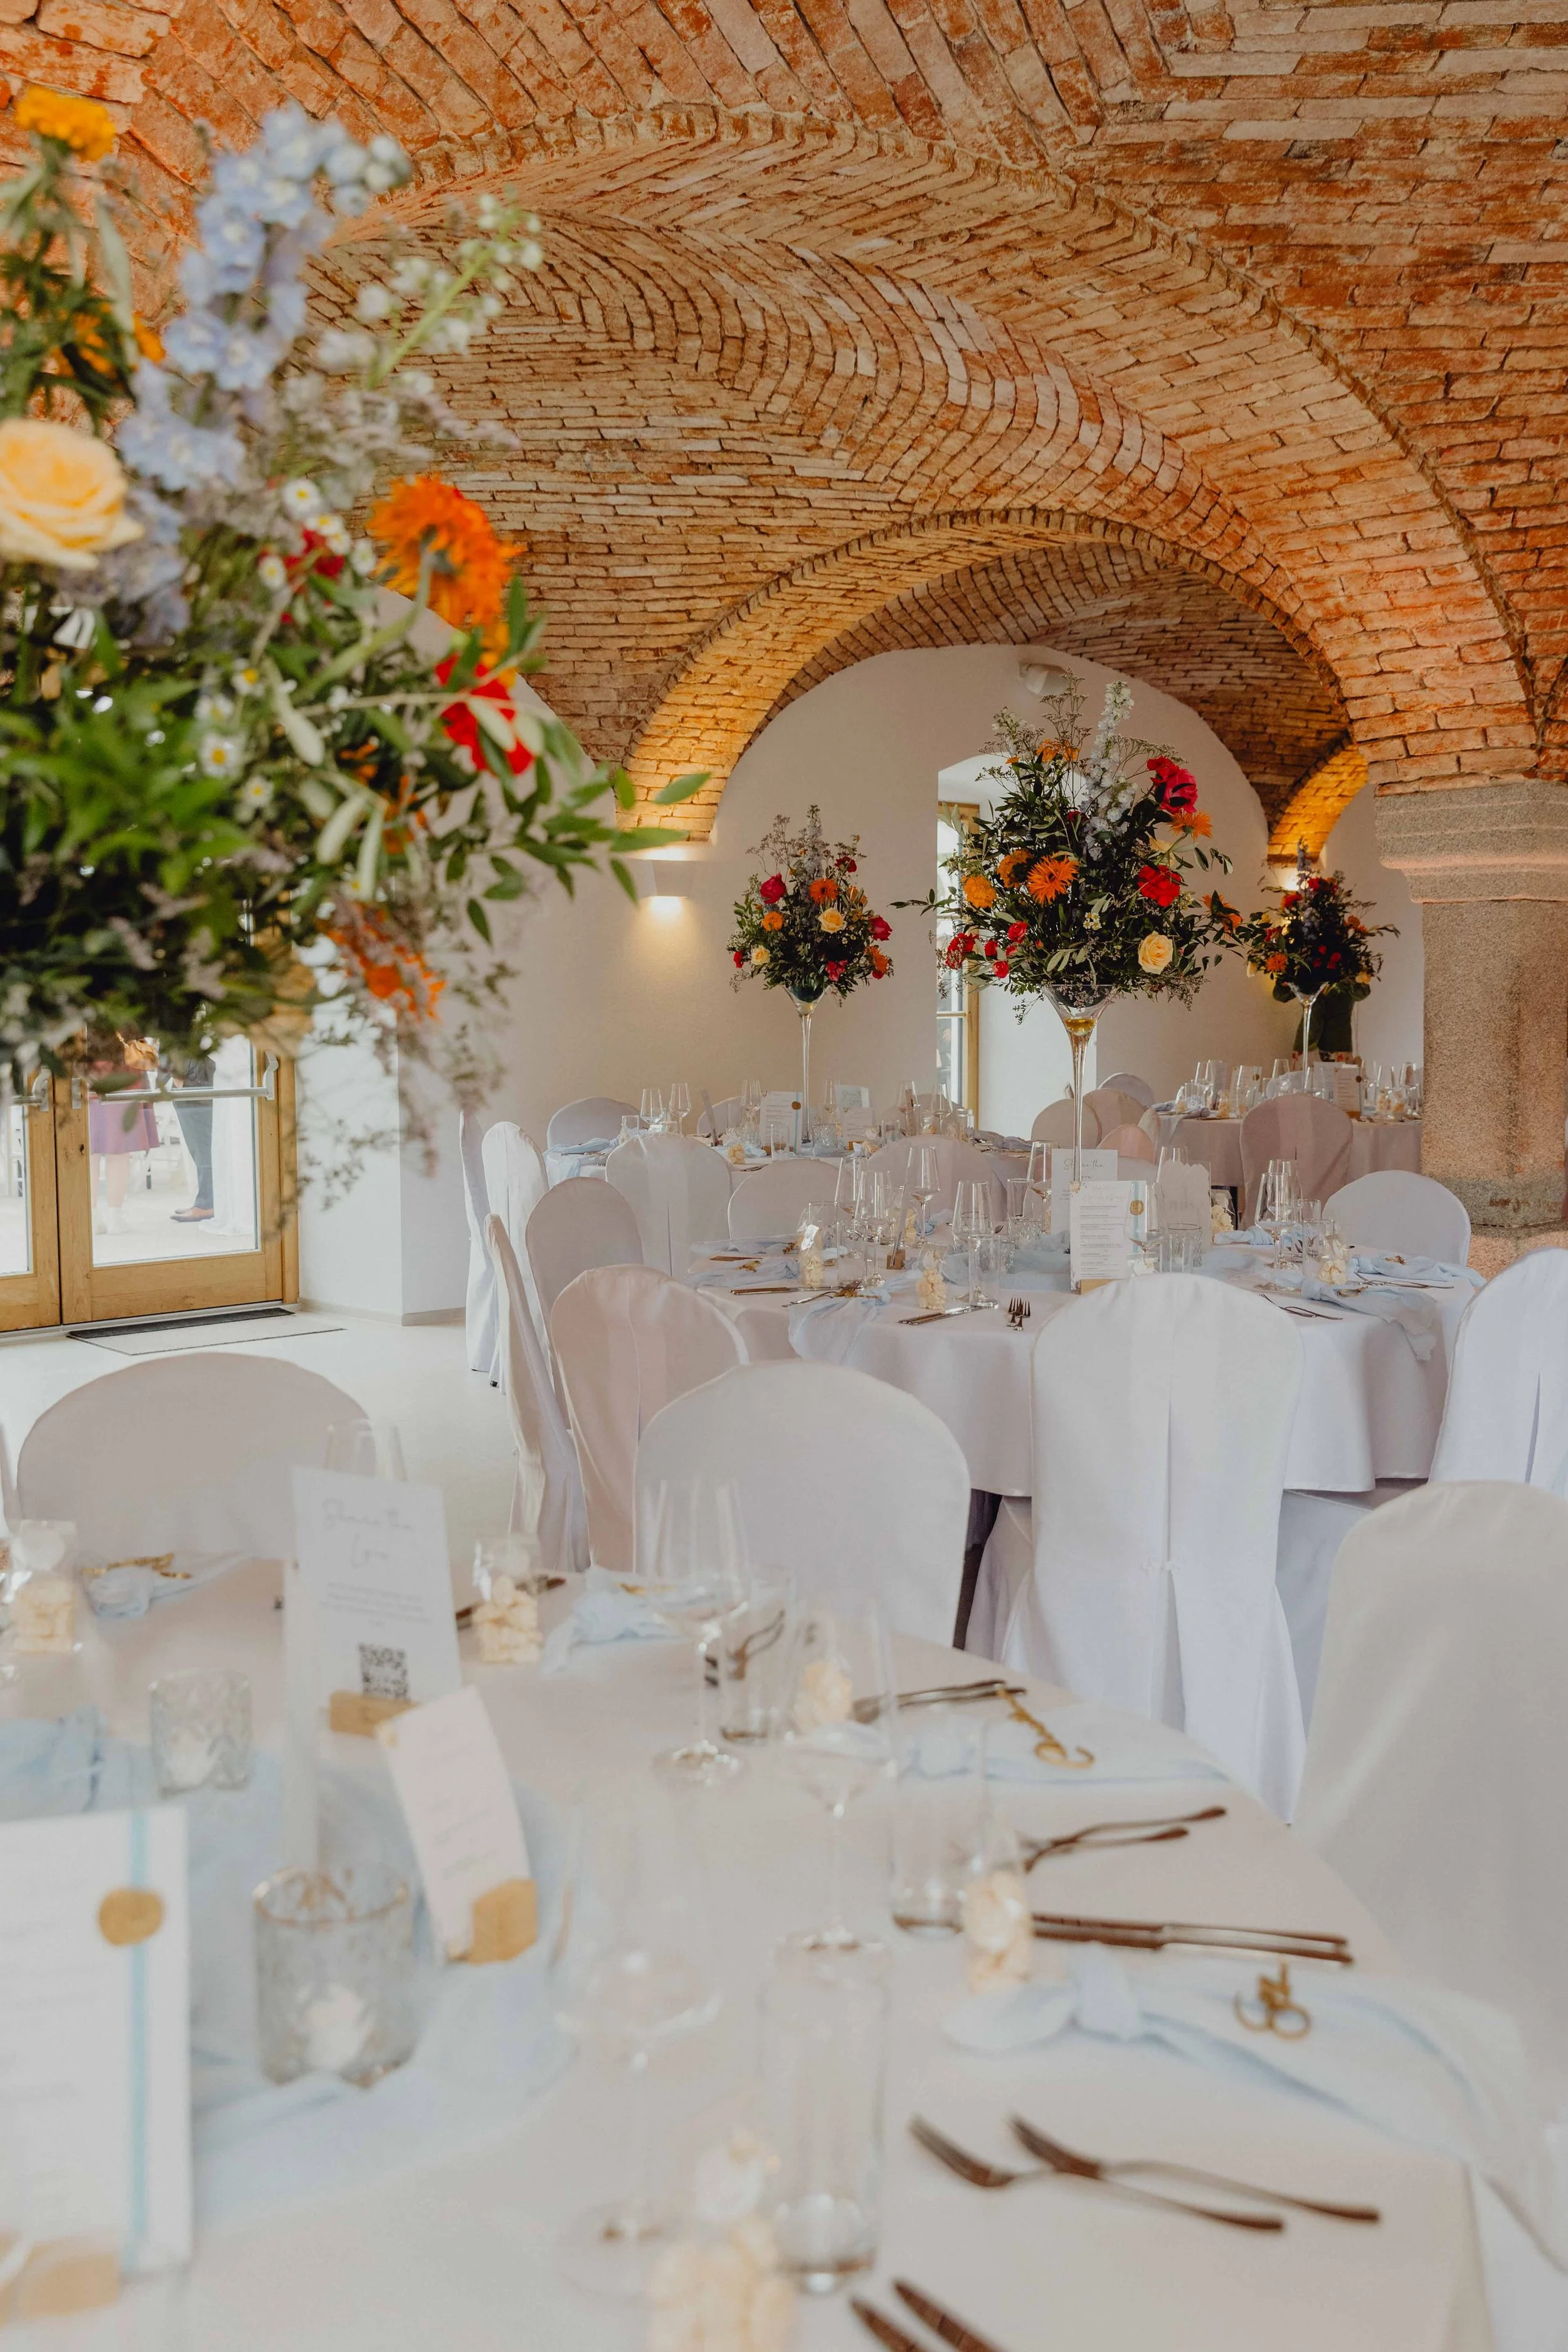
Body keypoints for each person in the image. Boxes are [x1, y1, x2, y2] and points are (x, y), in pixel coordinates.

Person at [88, 1039, 159, 1236]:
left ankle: (92, 1215)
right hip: (124, 1075)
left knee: (88, 1150)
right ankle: (115, 1216)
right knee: (119, 1151)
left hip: (88, 1076)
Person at [171, 1053, 215, 1224]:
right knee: (202, 1148)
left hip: (194, 1081)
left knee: (202, 1148)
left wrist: (178, 1075)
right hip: (194, 1080)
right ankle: (206, 1201)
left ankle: (206, 1203)